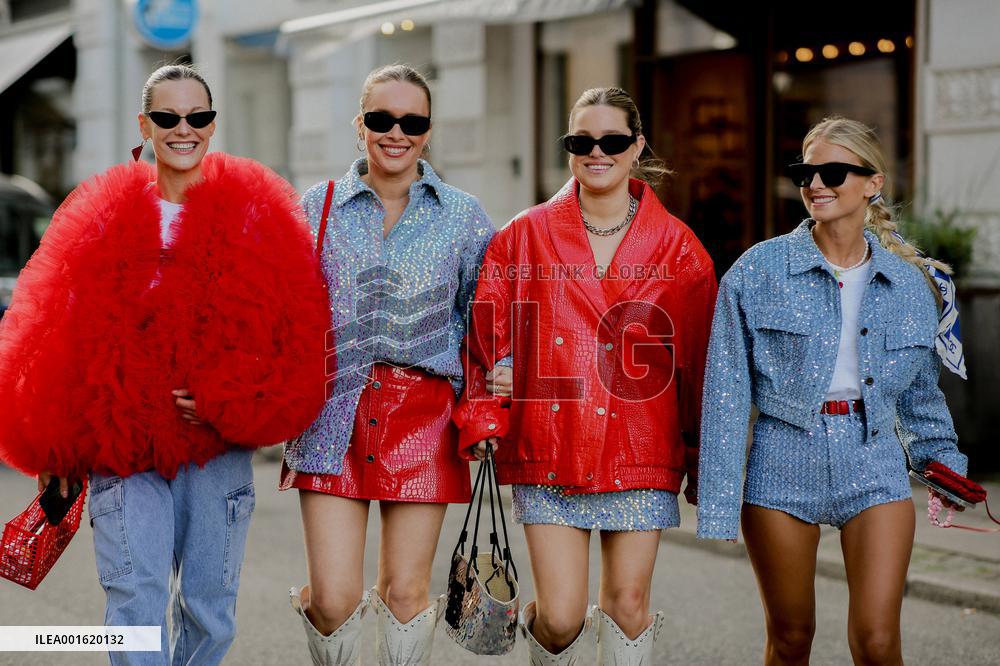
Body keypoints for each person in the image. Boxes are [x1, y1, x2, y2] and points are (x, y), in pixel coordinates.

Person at [0, 64, 330, 665]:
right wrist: (54, 447)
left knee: (210, 612)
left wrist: (230, 399)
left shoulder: (254, 216)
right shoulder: (104, 216)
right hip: (123, 447)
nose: (185, 129)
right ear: (144, 125)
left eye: (198, 117)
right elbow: (57, 328)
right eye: (168, 117)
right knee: (134, 604)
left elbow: (294, 331)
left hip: (216, 446)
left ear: (212, 122)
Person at [455, 86, 717, 664]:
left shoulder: (680, 250)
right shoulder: (523, 235)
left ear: (638, 145)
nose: (597, 152)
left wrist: (704, 467)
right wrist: (487, 408)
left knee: (628, 605)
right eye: (581, 140)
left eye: (613, 140)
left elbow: (699, 366)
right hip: (551, 446)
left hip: (641, 446)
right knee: (560, 617)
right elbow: (484, 341)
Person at [697, 116, 970, 665]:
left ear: (873, 182)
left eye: (834, 172)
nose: (816, 184)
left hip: (873, 461)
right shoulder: (758, 270)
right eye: (806, 171)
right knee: (791, 638)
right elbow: (725, 393)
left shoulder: (909, 284)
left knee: (876, 641)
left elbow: (921, 394)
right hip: (780, 460)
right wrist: (720, 503)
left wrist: (946, 468)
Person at [280, 64, 495, 665]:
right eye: (381, 119)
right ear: (360, 126)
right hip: (331, 417)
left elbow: (489, 324)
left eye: (412, 121)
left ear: (428, 132)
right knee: (334, 599)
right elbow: (280, 311)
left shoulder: (464, 215)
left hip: (424, 419)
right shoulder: (316, 207)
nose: (395, 132)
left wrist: (484, 410)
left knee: (405, 594)